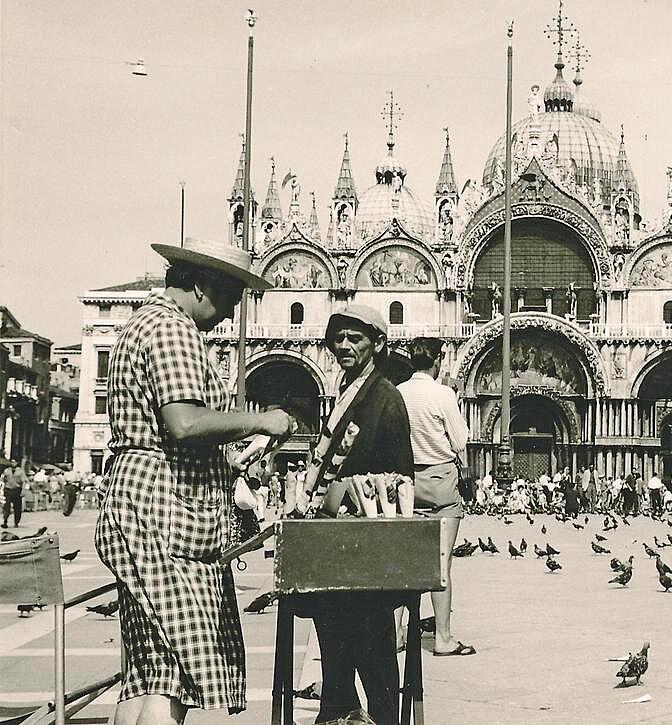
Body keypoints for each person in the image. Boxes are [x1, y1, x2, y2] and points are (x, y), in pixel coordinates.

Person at [94, 238, 295, 725]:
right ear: (204, 286)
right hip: (164, 514)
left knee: (152, 673)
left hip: (145, 506)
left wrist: (228, 463)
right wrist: (260, 422)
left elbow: (168, 431)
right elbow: (183, 422)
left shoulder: (142, 324)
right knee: (183, 669)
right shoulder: (172, 330)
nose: (230, 315)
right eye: (231, 299)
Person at [303, 305, 414, 724]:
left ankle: (381, 718)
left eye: (356, 338)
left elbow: (400, 478)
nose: (344, 346)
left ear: (378, 344)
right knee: (335, 639)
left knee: (374, 649)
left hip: (366, 544)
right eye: (339, 338)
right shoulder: (348, 390)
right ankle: (338, 710)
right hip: (337, 543)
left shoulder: (386, 399)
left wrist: (340, 492)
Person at [397, 337, 475, 658]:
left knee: (403, 563)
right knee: (441, 562)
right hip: (441, 482)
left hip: (406, 485)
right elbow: (460, 441)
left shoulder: (398, 393)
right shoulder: (442, 394)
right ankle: (442, 638)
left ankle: (396, 634)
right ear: (438, 360)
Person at [2, 462, 29, 529]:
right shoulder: (7, 470)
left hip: (16, 490)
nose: (13, 463)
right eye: (12, 462)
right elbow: (3, 479)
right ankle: (5, 521)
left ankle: (16, 522)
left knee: (17, 507)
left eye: (14, 462)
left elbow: (24, 481)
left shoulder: (20, 471)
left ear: (17, 463)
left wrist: (23, 490)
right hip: (8, 490)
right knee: (6, 506)